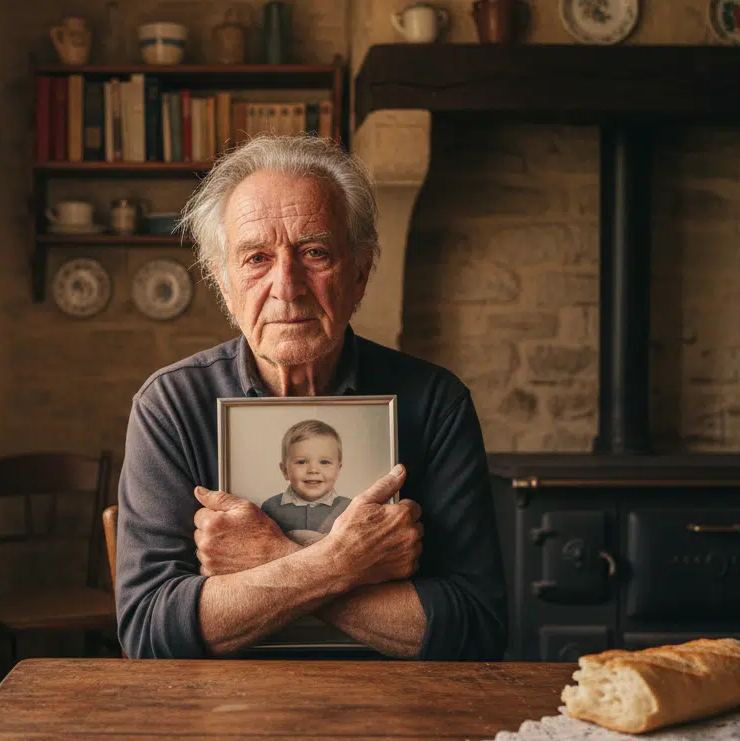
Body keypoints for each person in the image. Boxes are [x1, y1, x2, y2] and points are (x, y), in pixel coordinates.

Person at [115, 133, 507, 661]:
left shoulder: (437, 402)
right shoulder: (171, 405)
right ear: (225, 284)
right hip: (221, 700)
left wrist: (268, 558)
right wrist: (344, 562)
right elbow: (148, 631)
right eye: (256, 258)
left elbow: (478, 628)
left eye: (315, 253)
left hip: (395, 699)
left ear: (360, 273)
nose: (288, 286)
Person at [260, 419, 352, 546]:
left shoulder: (349, 509)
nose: (313, 470)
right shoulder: (271, 508)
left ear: (338, 470)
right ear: (285, 471)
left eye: (324, 462)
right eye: (301, 462)